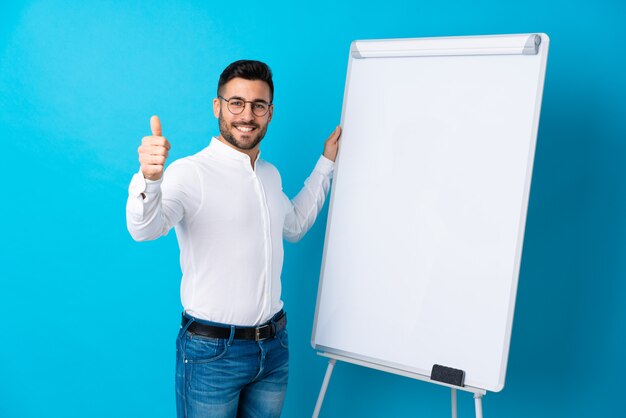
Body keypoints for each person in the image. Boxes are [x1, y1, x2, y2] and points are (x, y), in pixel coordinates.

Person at [126, 60, 340, 418]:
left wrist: (326, 163)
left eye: (258, 105)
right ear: (218, 107)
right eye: (236, 102)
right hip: (212, 354)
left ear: (270, 113)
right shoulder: (190, 172)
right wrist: (148, 179)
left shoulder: (269, 175)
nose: (247, 115)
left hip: (273, 349)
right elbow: (144, 230)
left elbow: (295, 226)